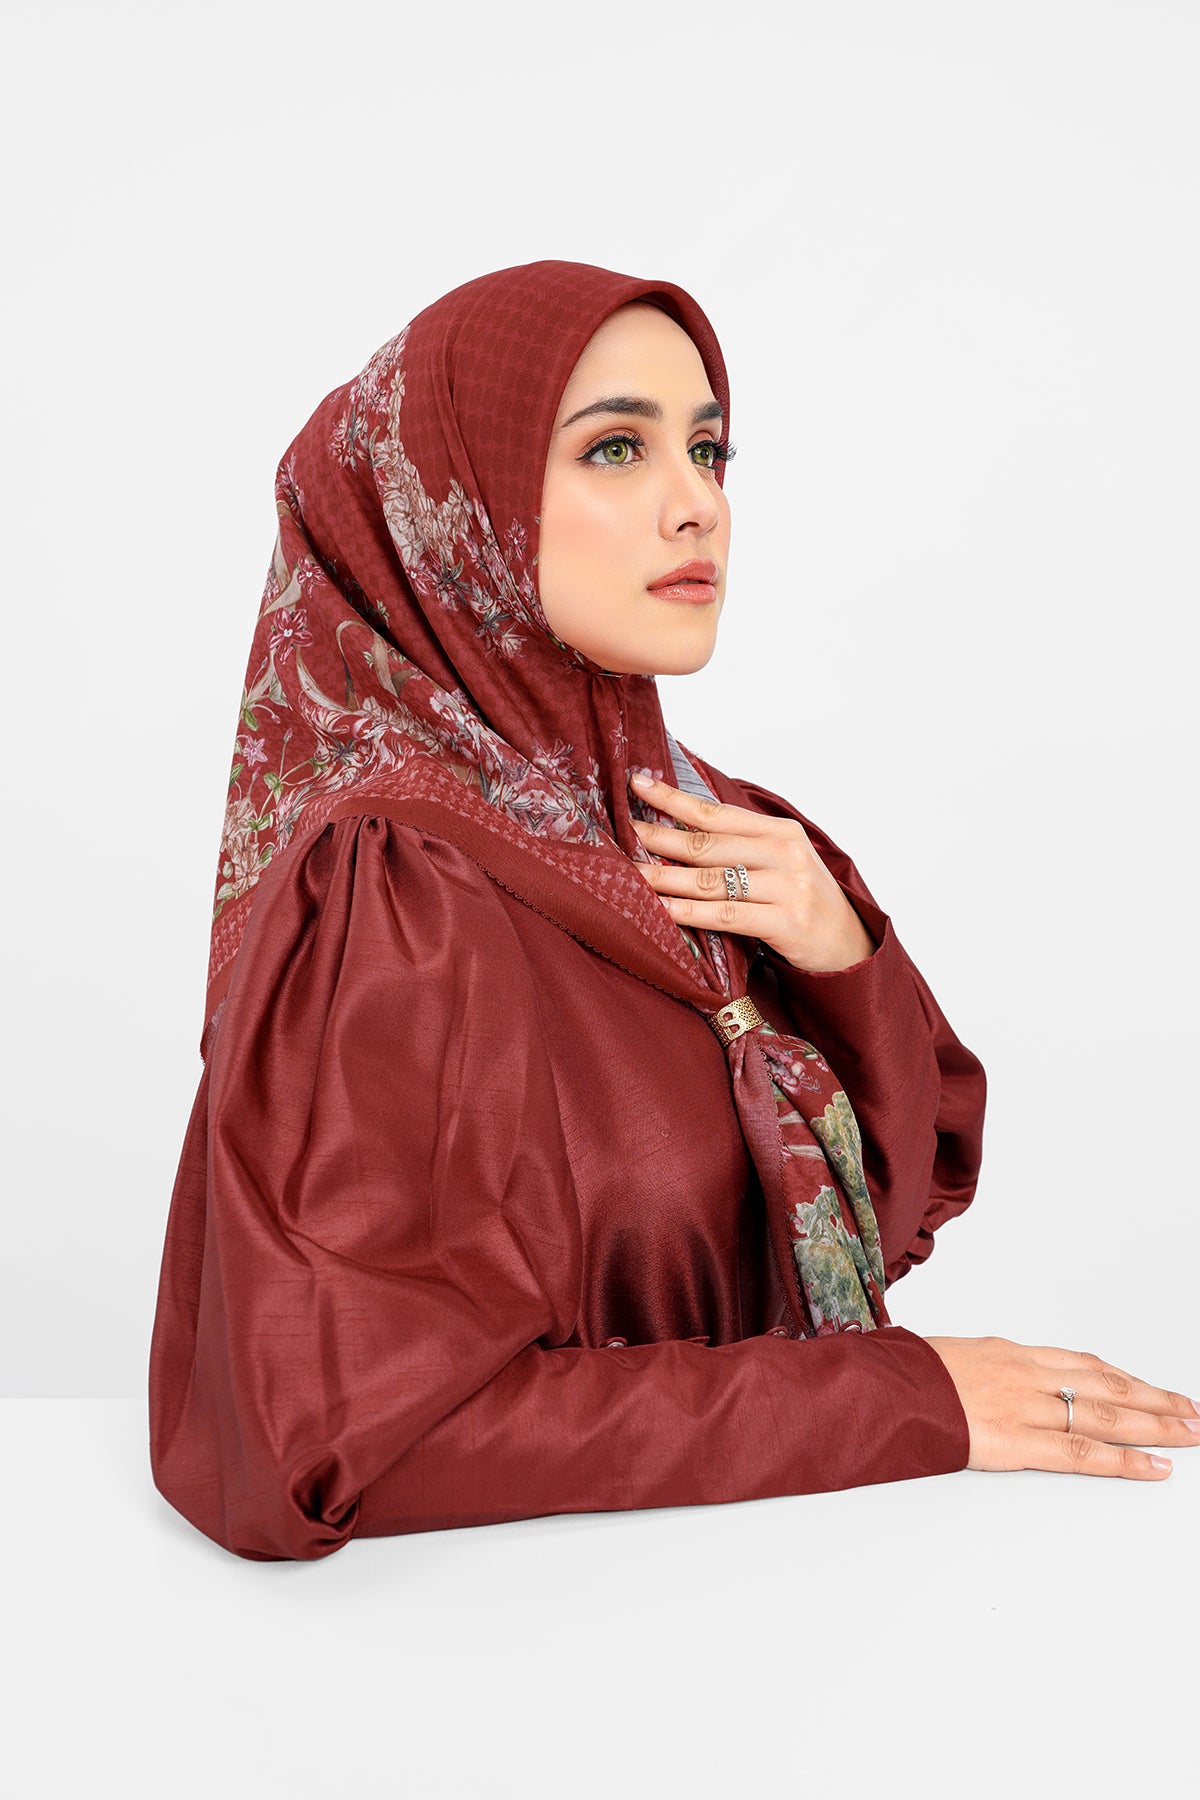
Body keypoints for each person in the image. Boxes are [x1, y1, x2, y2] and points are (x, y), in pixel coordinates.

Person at [148, 259, 1198, 1563]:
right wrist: (894, 1402)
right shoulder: (400, 888)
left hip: (775, 1603)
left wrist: (842, 958)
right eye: (616, 449)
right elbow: (347, 1446)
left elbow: (884, 1218)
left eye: (709, 449)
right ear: (451, 509)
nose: (697, 502)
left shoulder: (713, 833)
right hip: (505, 1647)